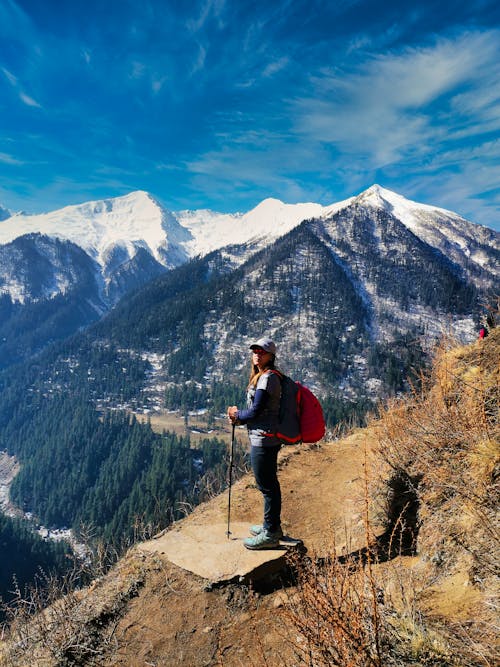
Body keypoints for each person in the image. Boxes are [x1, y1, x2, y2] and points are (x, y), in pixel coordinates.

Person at [227, 337, 284, 550]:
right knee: (268, 484)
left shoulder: (267, 379)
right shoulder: (264, 377)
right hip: (265, 437)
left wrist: (236, 414)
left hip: (264, 439)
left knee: (267, 486)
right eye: (255, 351)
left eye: (262, 351)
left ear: (271, 356)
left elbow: (255, 411)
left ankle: (271, 533)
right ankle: (272, 527)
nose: (257, 354)